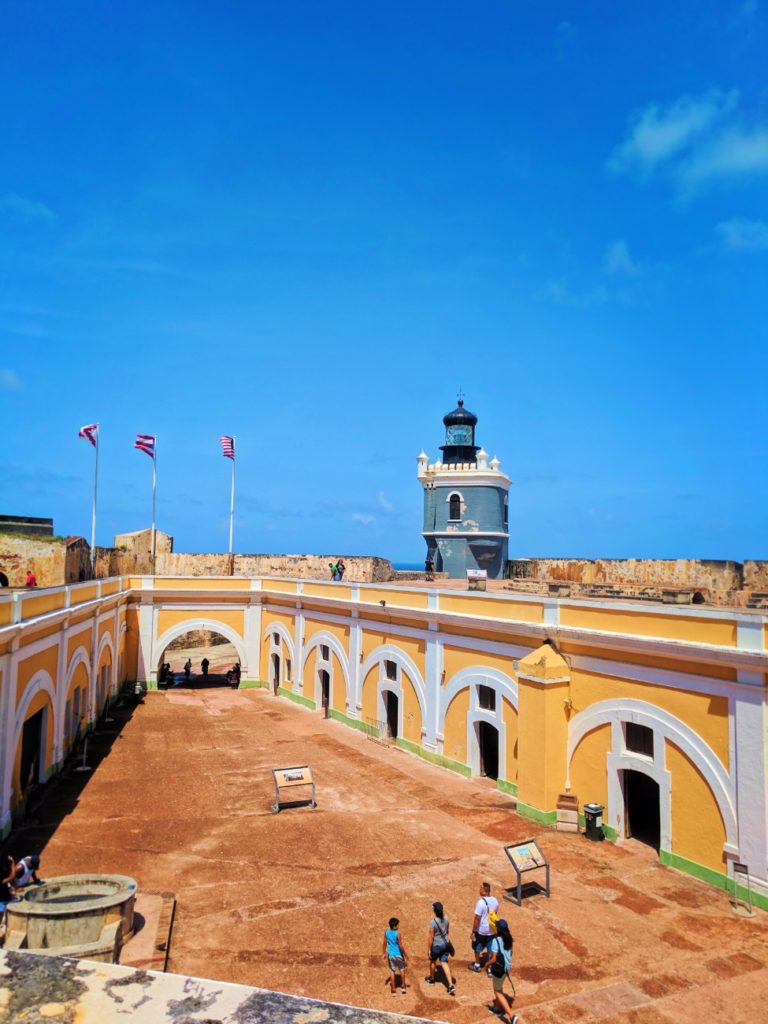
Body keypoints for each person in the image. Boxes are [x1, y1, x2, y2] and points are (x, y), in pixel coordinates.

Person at [486, 919, 518, 1023]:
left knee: (497, 992)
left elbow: (494, 958)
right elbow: (511, 953)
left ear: (498, 929)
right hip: (506, 968)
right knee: (499, 988)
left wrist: (486, 965)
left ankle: (512, 1016)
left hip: (499, 970)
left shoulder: (496, 941)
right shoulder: (509, 938)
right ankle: (496, 1009)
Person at [425, 900, 455, 994]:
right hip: (446, 944)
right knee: (444, 962)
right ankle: (450, 985)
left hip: (437, 946)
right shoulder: (446, 918)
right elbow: (447, 931)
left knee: (433, 961)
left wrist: (429, 949)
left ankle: (432, 979)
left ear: (434, 911)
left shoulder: (433, 922)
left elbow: (431, 936)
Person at [469, 881, 499, 971]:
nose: (479, 890)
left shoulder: (481, 903)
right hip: (492, 930)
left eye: (480, 888)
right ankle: (490, 969)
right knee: (490, 949)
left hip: (481, 931)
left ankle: (477, 965)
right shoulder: (495, 901)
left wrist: (473, 931)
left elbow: (477, 918)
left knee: (477, 947)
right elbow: (495, 914)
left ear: (484, 890)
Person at [383, 916, 408, 995]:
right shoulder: (398, 934)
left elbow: (384, 943)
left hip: (391, 955)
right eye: (398, 925)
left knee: (392, 971)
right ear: (394, 926)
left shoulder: (386, 932)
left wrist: (383, 953)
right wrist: (406, 955)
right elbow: (400, 946)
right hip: (398, 955)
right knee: (402, 969)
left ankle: (393, 990)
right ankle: (403, 987)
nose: (398, 926)